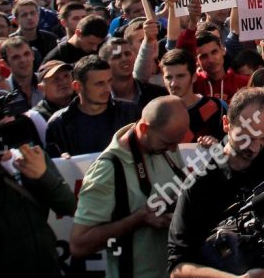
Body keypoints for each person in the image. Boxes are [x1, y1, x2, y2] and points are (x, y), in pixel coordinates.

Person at [168, 87, 264, 277]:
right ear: (226, 124)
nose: (254, 147)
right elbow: (177, 268)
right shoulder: (200, 185)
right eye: (246, 137)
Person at [70, 97, 190, 278]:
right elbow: (79, 245)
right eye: (167, 143)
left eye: (176, 142)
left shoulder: (165, 144)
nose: (173, 149)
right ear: (144, 128)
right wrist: (139, 219)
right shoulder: (108, 169)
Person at [0, 114, 77, 276]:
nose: (4, 125)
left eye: (7, 117)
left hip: (47, 267)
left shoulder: (32, 156)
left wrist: (44, 176)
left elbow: (70, 207)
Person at [46, 55, 141, 156]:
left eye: (109, 81)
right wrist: (62, 161)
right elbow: (51, 161)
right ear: (78, 86)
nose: (108, 88)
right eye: (100, 84)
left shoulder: (130, 113)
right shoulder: (59, 124)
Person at [159, 49, 226, 144]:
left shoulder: (216, 107)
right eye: (169, 77)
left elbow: (232, 144)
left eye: (180, 76)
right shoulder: (157, 112)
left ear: (194, 77)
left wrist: (217, 145)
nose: (173, 83)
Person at [26, 60, 76, 146]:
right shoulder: (36, 117)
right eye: (56, 79)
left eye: (66, 76)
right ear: (41, 88)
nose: (63, 82)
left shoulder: (84, 106)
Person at [0, 36, 43, 113]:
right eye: (16, 57)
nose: (23, 60)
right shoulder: (2, 94)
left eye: (26, 54)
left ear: (33, 55)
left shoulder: (46, 82)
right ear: (5, 63)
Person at [43, 14, 109, 65]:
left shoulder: (103, 50)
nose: (95, 48)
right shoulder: (57, 56)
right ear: (78, 33)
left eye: (98, 44)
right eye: (91, 43)